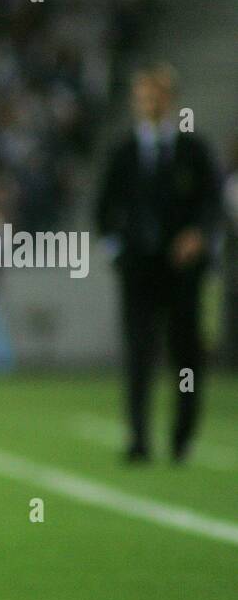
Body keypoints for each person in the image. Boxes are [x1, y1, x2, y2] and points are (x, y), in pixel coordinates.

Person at [95, 64, 222, 464]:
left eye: (158, 96)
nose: (150, 103)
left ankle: (182, 436)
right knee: (139, 352)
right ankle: (139, 439)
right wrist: (117, 251)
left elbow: (212, 204)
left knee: (186, 355)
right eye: (144, 96)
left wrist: (198, 235)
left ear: (171, 100)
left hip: (183, 270)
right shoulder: (123, 153)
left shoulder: (192, 150)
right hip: (139, 269)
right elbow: (104, 209)